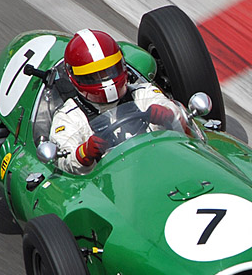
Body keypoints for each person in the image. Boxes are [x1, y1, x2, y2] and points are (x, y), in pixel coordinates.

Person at [50, 28, 189, 174]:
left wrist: (168, 113)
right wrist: (84, 153)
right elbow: (63, 159)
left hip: (161, 162)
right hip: (111, 183)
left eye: (110, 71)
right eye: (95, 76)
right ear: (76, 78)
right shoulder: (68, 117)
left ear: (122, 64)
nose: (106, 80)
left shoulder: (143, 92)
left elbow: (174, 112)